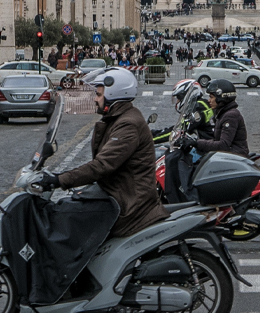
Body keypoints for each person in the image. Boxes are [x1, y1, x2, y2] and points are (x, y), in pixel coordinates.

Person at [37, 68, 169, 238]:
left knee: (69, 216)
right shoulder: (119, 118)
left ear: (113, 95)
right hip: (118, 192)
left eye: (99, 94)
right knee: (71, 206)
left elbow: (102, 165)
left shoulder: (127, 124)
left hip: (129, 204)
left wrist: (59, 179)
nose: (95, 99)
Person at [183, 79, 248, 157]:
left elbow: (223, 145)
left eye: (211, 97)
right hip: (227, 155)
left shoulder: (230, 115)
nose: (209, 100)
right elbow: (216, 140)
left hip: (235, 157)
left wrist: (197, 143)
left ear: (221, 98)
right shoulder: (222, 114)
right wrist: (196, 142)